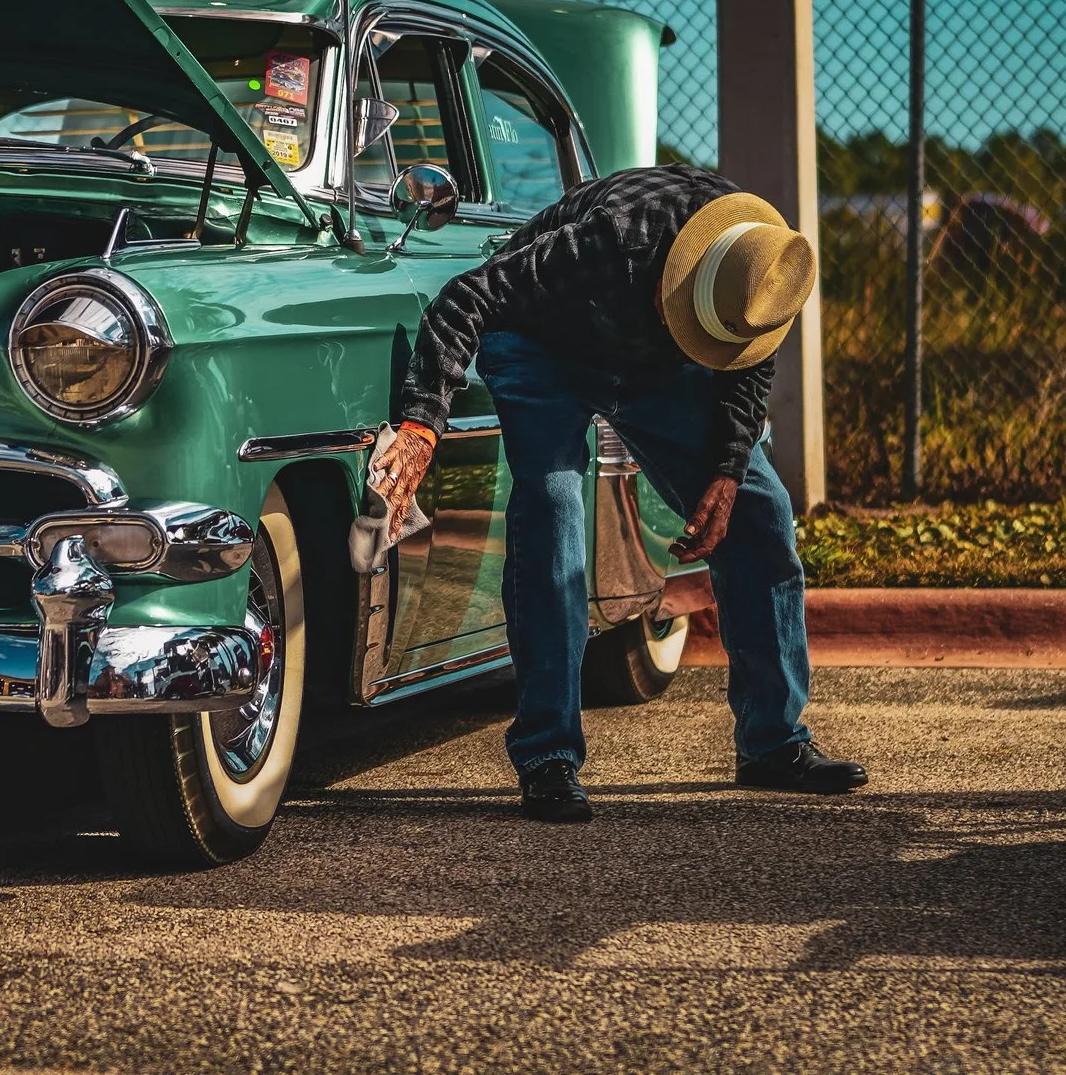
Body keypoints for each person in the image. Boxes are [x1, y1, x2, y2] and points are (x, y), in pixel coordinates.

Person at [369, 165, 868, 823]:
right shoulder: (607, 242)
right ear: (675, 274)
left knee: (759, 509)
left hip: (661, 367)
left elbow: (746, 372)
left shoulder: (759, 265)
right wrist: (421, 422)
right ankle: (547, 755)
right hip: (542, 344)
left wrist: (724, 471)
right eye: (685, 311)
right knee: (554, 512)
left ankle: (772, 741)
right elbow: (468, 297)